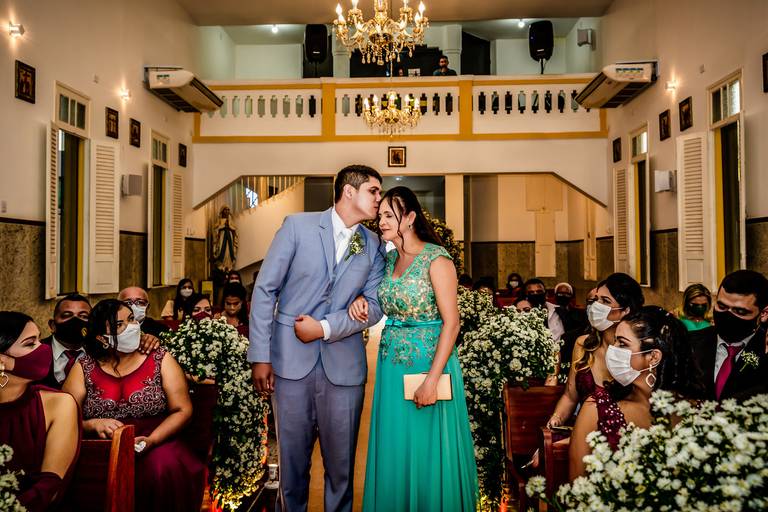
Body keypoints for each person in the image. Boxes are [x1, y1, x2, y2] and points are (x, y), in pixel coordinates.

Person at [248, 165, 386, 512]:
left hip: (344, 368)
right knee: (292, 468)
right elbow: (265, 290)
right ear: (349, 191)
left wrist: (324, 327)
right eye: (373, 191)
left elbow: (374, 306)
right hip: (289, 363)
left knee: (341, 470)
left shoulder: (373, 245)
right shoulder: (297, 227)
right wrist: (260, 355)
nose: (379, 198)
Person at [348, 186, 478, 510]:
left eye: (389, 216)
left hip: (428, 364)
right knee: (396, 444)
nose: (381, 222)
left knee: (426, 447)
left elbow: (452, 323)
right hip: (391, 368)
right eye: (380, 216)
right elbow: (377, 296)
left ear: (409, 218)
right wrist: (360, 299)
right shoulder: (389, 258)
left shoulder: (437, 259)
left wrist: (432, 380)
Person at [63, 299, 205, 511]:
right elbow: (63, 418)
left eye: (131, 319)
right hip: (104, 445)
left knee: (162, 468)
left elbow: (182, 410)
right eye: (119, 325)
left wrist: (152, 441)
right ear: (101, 338)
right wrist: (92, 425)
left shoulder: (159, 358)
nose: (131, 327)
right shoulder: (84, 367)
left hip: (157, 438)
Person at [569, 306, 702, 479]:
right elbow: (577, 485)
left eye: (622, 343)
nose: (612, 349)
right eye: (615, 341)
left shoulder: (695, 412)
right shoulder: (596, 409)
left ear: (653, 357)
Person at [0, 311, 81, 511]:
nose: (43, 348)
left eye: (39, 339)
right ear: (2, 361)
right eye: (30, 344)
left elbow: (50, 487)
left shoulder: (58, 404)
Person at [548, 273, 644, 428]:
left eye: (605, 301)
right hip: (583, 429)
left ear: (625, 310)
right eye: (596, 300)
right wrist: (557, 418)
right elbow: (570, 396)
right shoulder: (583, 344)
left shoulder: (637, 351)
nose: (596, 306)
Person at [688, 270, 768, 401]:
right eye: (722, 306)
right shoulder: (690, 342)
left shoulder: (764, 350)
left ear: (764, 314)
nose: (728, 316)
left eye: (740, 311)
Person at [39, 293, 92, 389]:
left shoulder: (100, 353)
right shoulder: (37, 351)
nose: (75, 321)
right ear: (53, 325)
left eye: (83, 316)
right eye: (66, 315)